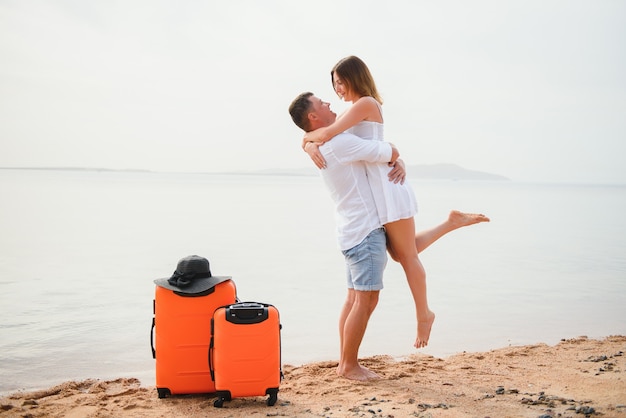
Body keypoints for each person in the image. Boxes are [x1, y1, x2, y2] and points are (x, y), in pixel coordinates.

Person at [302, 56, 489, 349]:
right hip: (378, 190)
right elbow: (320, 133)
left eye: (340, 81)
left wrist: (309, 143)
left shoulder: (366, 103)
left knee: (408, 257)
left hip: (389, 186)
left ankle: (423, 314)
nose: (337, 89)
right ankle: (452, 222)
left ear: (354, 77)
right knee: (402, 251)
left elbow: (325, 134)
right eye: (334, 84)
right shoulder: (350, 110)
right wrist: (307, 143)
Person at [289, 91, 401, 381]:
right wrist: (396, 156)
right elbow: (390, 151)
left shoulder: (327, 143)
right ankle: (349, 365)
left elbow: (314, 138)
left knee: (353, 300)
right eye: (321, 103)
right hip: (364, 231)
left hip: (350, 232)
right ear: (314, 117)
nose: (329, 103)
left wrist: (307, 141)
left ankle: (345, 361)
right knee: (365, 301)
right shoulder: (340, 142)